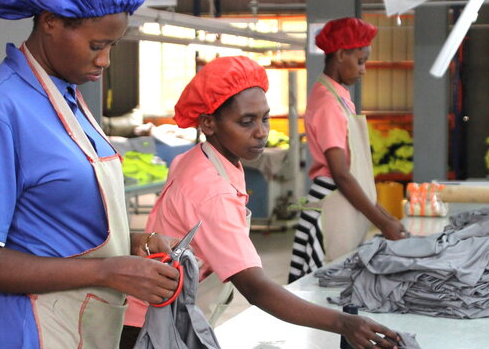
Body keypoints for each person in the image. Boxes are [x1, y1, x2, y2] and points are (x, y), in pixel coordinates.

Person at [0, 0, 180, 349]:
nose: (104, 60)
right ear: (50, 22)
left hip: (78, 327)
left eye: (112, 47)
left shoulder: (65, 97)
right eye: (96, 45)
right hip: (23, 333)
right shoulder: (0, 107)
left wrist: (129, 245)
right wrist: (105, 272)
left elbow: (54, 223)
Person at [122, 56, 404, 349]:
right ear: (208, 123)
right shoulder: (211, 191)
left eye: (265, 118)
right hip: (150, 327)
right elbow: (255, 288)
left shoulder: (200, 159)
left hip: (161, 313)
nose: (261, 131)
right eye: (246, 122)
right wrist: (342, 323)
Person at [289, 17, 407, 283]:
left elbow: (353, 175)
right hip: (333, 202)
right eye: (360, 61)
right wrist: (384, 222)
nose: (364, 70)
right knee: (329, 285)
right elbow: (341, 174)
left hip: (345, 198)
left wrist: (386, 216)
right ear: (341, 54)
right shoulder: (328, 102)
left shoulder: (340, 97)